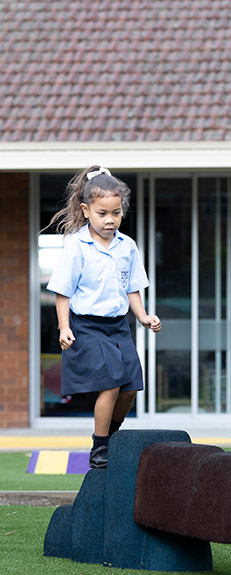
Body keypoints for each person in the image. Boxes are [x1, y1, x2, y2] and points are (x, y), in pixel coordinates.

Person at [46, 165, 161, 468]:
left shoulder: (128, 247)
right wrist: (64, 327)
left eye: (116, 213)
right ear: (86, 211)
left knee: (131, 387)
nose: (110, 220)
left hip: (118, 327)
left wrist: (143, 317)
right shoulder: (77, 246)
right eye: (102, 213)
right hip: (87, 327)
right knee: (111, 382)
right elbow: (63, 292)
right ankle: (100, 448)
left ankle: (110, 435)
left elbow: (132, 288)